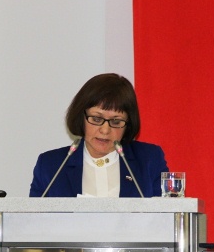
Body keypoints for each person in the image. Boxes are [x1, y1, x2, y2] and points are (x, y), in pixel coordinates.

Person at [29, 73, 169, 197]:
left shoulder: (149, 160)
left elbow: (166, 215)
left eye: (116, 121)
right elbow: (33, 217)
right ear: (81, 117)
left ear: (128, 124)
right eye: (96, 119)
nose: (105, 130)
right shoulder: (50, 166)